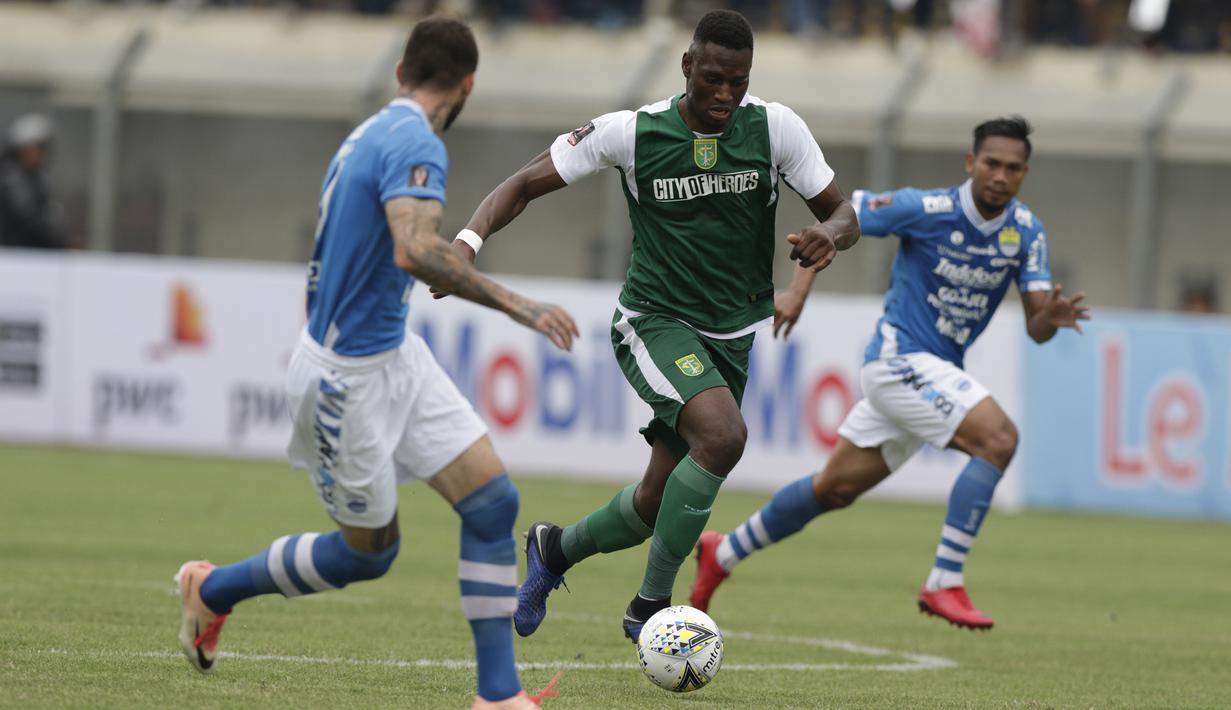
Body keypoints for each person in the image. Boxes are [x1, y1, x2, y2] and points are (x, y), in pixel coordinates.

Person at [173, 17, 577, 710]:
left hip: (392, 353)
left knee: (492, 503)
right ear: (468, 85)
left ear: (399, 72)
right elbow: (413, 250)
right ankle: (212, 590)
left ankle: (497, 697)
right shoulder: (418, 142)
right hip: (344, 378)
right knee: (369, 553)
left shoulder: (372, 130)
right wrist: (521, 306)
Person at [437, 9, 860, 641]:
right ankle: (650, 607)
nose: (724, 95)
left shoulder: (775, 128)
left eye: (737, 82)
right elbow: (523, 183)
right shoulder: (630, 133)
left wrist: (828, 235)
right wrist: (467, 244)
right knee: (722, 437)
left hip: (732, 335)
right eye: (712, 78)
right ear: (687, 65)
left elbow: (845, 211)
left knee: (654, 503)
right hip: (654, 321)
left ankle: (553, 550)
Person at [691, 116, 1091, 630]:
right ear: (971, 163)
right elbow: (839, 220)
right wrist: (797, 292)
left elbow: (1037, 325)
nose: (1000, 175)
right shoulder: (926, 209)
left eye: (1013, 168)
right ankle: (945, 580)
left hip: (932, 375)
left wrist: (1049, 320)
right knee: (999, 439)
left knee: (832, 490)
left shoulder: (1026, 232)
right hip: (898, 361)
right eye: (991, 163)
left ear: (1024, 173)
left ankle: (721, 553)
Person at [0, 112, 70, 249]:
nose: (42, 154)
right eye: (39, 147)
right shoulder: (11, 178)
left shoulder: (38, 177)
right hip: (14, 253)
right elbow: (26, 219)